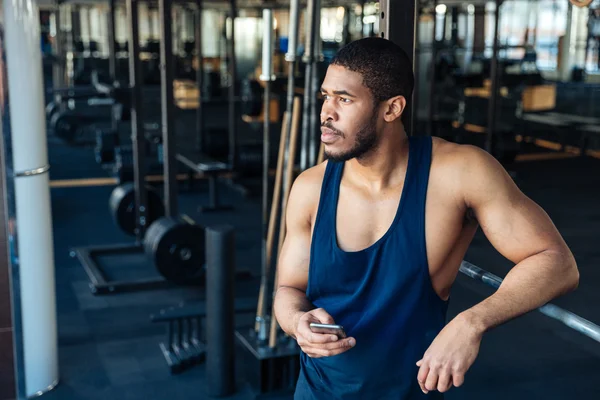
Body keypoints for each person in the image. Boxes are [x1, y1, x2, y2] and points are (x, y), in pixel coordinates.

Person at [272, 37, 579, 399]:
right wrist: (296, 322)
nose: (326, 112)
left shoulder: (459, 173)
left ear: (392, 109)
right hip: (317, 391)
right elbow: (288, 289)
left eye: (344, 99)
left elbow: (558, 264)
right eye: (326, 96)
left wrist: (471, 322)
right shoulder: (310, 188)